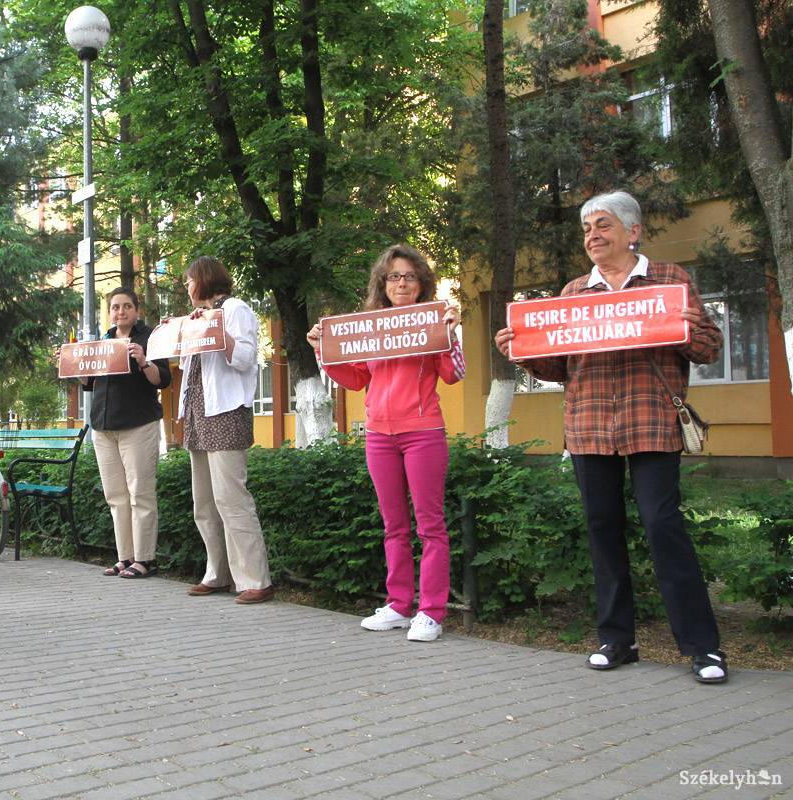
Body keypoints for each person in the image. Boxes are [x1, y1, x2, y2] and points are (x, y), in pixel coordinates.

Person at [494, 189, 727, 684]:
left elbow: (708, 348)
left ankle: (703, 648)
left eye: (602, 225)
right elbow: (558, 367)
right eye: (586, 229)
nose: (593, 236)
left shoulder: (669, 280)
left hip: (650, 422)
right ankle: (617, 639)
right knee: (602, 530)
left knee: (663, 526)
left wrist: (690, 329)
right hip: (590, 427)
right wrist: (523, 350)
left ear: (632, 231)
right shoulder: (574, 292)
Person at [307, 244, 464, 642]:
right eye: (394, 276)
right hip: (378, 434)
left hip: (423, 431)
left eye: (410, 276)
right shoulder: (370, 327)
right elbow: (358, 379)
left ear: (422, 282)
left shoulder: (434, 320)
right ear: (383, 282)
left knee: (430, 526)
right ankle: (398, 605)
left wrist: (450, 334)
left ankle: (431, 612)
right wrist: (324, 353)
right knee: (394, 526)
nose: (402, 283)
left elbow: (453, 374)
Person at [179, 257, 274, 604]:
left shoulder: (236, 309)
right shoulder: (197, 317)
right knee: (203, 501)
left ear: (204, 280)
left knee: (231, 498)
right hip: (198, 414)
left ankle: (255, 579)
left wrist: (216, 332)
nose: (187, 288)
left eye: (189, 281)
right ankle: (216, 573)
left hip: (226, 412)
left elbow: (246, 358)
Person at [76, 287, 172, 579]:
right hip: (104, 427)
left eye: (126, 306)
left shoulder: (150, 338)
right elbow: (88, 383)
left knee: (140, 492)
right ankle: (125, 557)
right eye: (115, 307)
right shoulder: (103, 342)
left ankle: (145, 559)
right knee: (116, 495)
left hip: (138, 424)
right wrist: (73, 364)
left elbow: (162, 380)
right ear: (110, 312)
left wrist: (143, 360)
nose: (121, 312)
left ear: (136, 310)